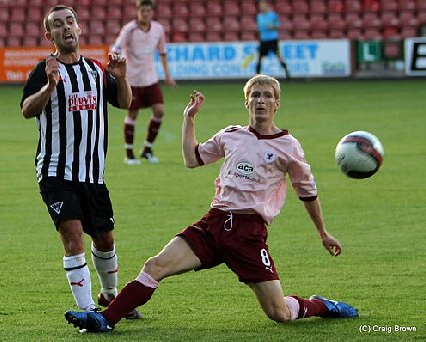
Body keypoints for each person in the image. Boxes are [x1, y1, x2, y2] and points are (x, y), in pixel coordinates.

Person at [65, 75, 358, 333]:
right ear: (246, 101)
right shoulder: (231, 135)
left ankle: (321, 305)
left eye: (267, 95)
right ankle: (106, 319)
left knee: (279, 313)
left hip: (249, 234)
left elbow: (307, 192)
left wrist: (323, 232)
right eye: (255, 94)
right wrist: (189, 119)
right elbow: (193, 159)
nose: (261, 100)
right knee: (156, 265)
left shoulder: (288, 146)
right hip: (213, 224)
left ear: (277, 103)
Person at [20, 5, 140, 318]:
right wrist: (49, 87)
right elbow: (27, 110)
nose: (66, 28)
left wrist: (123, 79)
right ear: (50, 35)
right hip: (55, 171)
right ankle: (88, 309)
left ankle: (110, 296)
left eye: (70, 21)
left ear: (79, 27)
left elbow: (124, 102)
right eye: (57, 25)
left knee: (105, 239)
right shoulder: (43, 71)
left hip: (92, 174)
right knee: (72, 236)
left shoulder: (97, 70)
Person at [112, 0, 176, 165]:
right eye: (142, 10)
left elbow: (162, 52)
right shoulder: (130, 29)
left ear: (152, 12)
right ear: (138, 11)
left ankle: (147, 149)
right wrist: (117, 62)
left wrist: (168, 76)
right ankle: (129, 153)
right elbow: (116, 47)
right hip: (132, 80)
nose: (145, 13)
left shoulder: (158, 29)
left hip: (150, 78)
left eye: (148, 11)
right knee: (132, 114)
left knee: (160, 110)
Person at [256, 0, 290, 79]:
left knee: (278, 55)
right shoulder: (259, 16)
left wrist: (273, 27)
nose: (262, 7)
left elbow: (278, 25)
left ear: (267, 6)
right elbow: (259, 29)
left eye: (263, 5)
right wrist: (260, 40)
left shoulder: (273, 15)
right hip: (264, 40)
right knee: (260, 57)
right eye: (260, 6)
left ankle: (286, 72)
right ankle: (257, 75)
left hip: (273, 39)